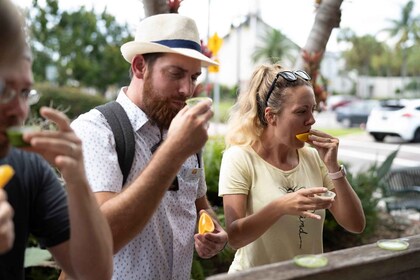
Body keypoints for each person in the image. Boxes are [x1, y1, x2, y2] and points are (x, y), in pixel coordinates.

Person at [71, 13, 228, 279]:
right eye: (176, 74)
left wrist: (213, 230)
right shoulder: (96, 130)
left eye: (193, 78)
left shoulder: (183, 129)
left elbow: (198, 203)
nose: (186, 90)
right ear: (140, 66)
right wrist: (174, 151)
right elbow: (102, 236)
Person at [0, 1, 114, 278]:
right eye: (3, 90)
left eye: (26, 92)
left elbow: (94, 274)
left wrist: (77, 181)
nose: (19, 110)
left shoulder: (27, 168)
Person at [218, 63, 366, 272]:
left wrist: (333, 167)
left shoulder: (313, 157)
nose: (311, 120)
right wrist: (280, 206)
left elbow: (355, 224)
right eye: (301, 112)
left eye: (313, 110)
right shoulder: (239, 158)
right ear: (271, 116)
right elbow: (235, 238)